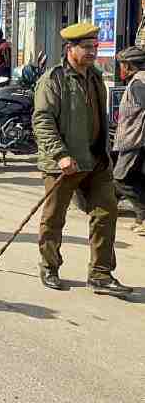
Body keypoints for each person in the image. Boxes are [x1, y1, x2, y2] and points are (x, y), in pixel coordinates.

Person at [32, 22, 131, 296]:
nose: (92, 52)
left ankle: (100, 274)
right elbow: (42, 121)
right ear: (70, 49)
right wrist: (61, 154)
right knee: (54, 218)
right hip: (63, 163)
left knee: (105, 211)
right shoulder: (53, 79)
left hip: (95, 160)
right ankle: (50, 266)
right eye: (86, 48)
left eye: (95, 47)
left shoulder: (96, 77)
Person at [113, 46, 145, 236]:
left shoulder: (139, 83)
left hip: (135, 141)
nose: (120, 70)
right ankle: (141, 218)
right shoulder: (138, 80)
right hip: (135, 140)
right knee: (136, 178)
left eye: (121, 65)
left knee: (121, 178)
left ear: (129, 65)